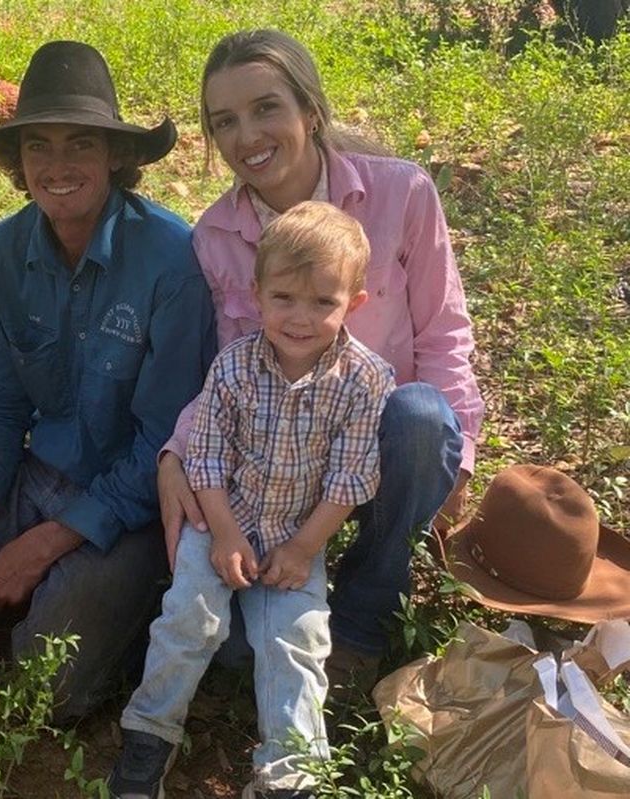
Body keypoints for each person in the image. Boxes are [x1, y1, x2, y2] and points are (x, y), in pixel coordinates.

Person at [0, 40, 216, 722]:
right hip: (33, 475)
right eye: (38, 148)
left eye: (80, 145)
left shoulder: (171, 260)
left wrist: (48, 541)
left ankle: (109, 594)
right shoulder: (1, 253)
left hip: (132, 504)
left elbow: (166, 443)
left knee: (47, 688)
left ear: (116, 156)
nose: (57, 167)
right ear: (15, 161)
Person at [156, 29, 483, 690]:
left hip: (387, 442)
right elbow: (228, 367)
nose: (247, 135)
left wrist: (460, 454)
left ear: (310, 110)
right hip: (282, 458)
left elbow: (445, 333)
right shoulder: (217, 235)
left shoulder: (403, 194)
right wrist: (175, 451)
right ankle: (291, 586)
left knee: (423, 416)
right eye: (226, 121)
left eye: (265, 107)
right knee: (232, 661)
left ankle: (365, 608)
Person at [108, 202, 394, 799]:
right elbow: (205, 458)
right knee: (189, 615)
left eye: (323, 302)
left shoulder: (366, 381)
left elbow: (351, 477)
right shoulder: (234, 367)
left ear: (354, 305)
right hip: (221, 521)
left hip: (298, 532)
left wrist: (304, 547)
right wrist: (226, 534)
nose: (300, 317)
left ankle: (290, 771)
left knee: (300, 640)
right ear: (257, 294)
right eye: (284, 298)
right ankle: (150, 731)